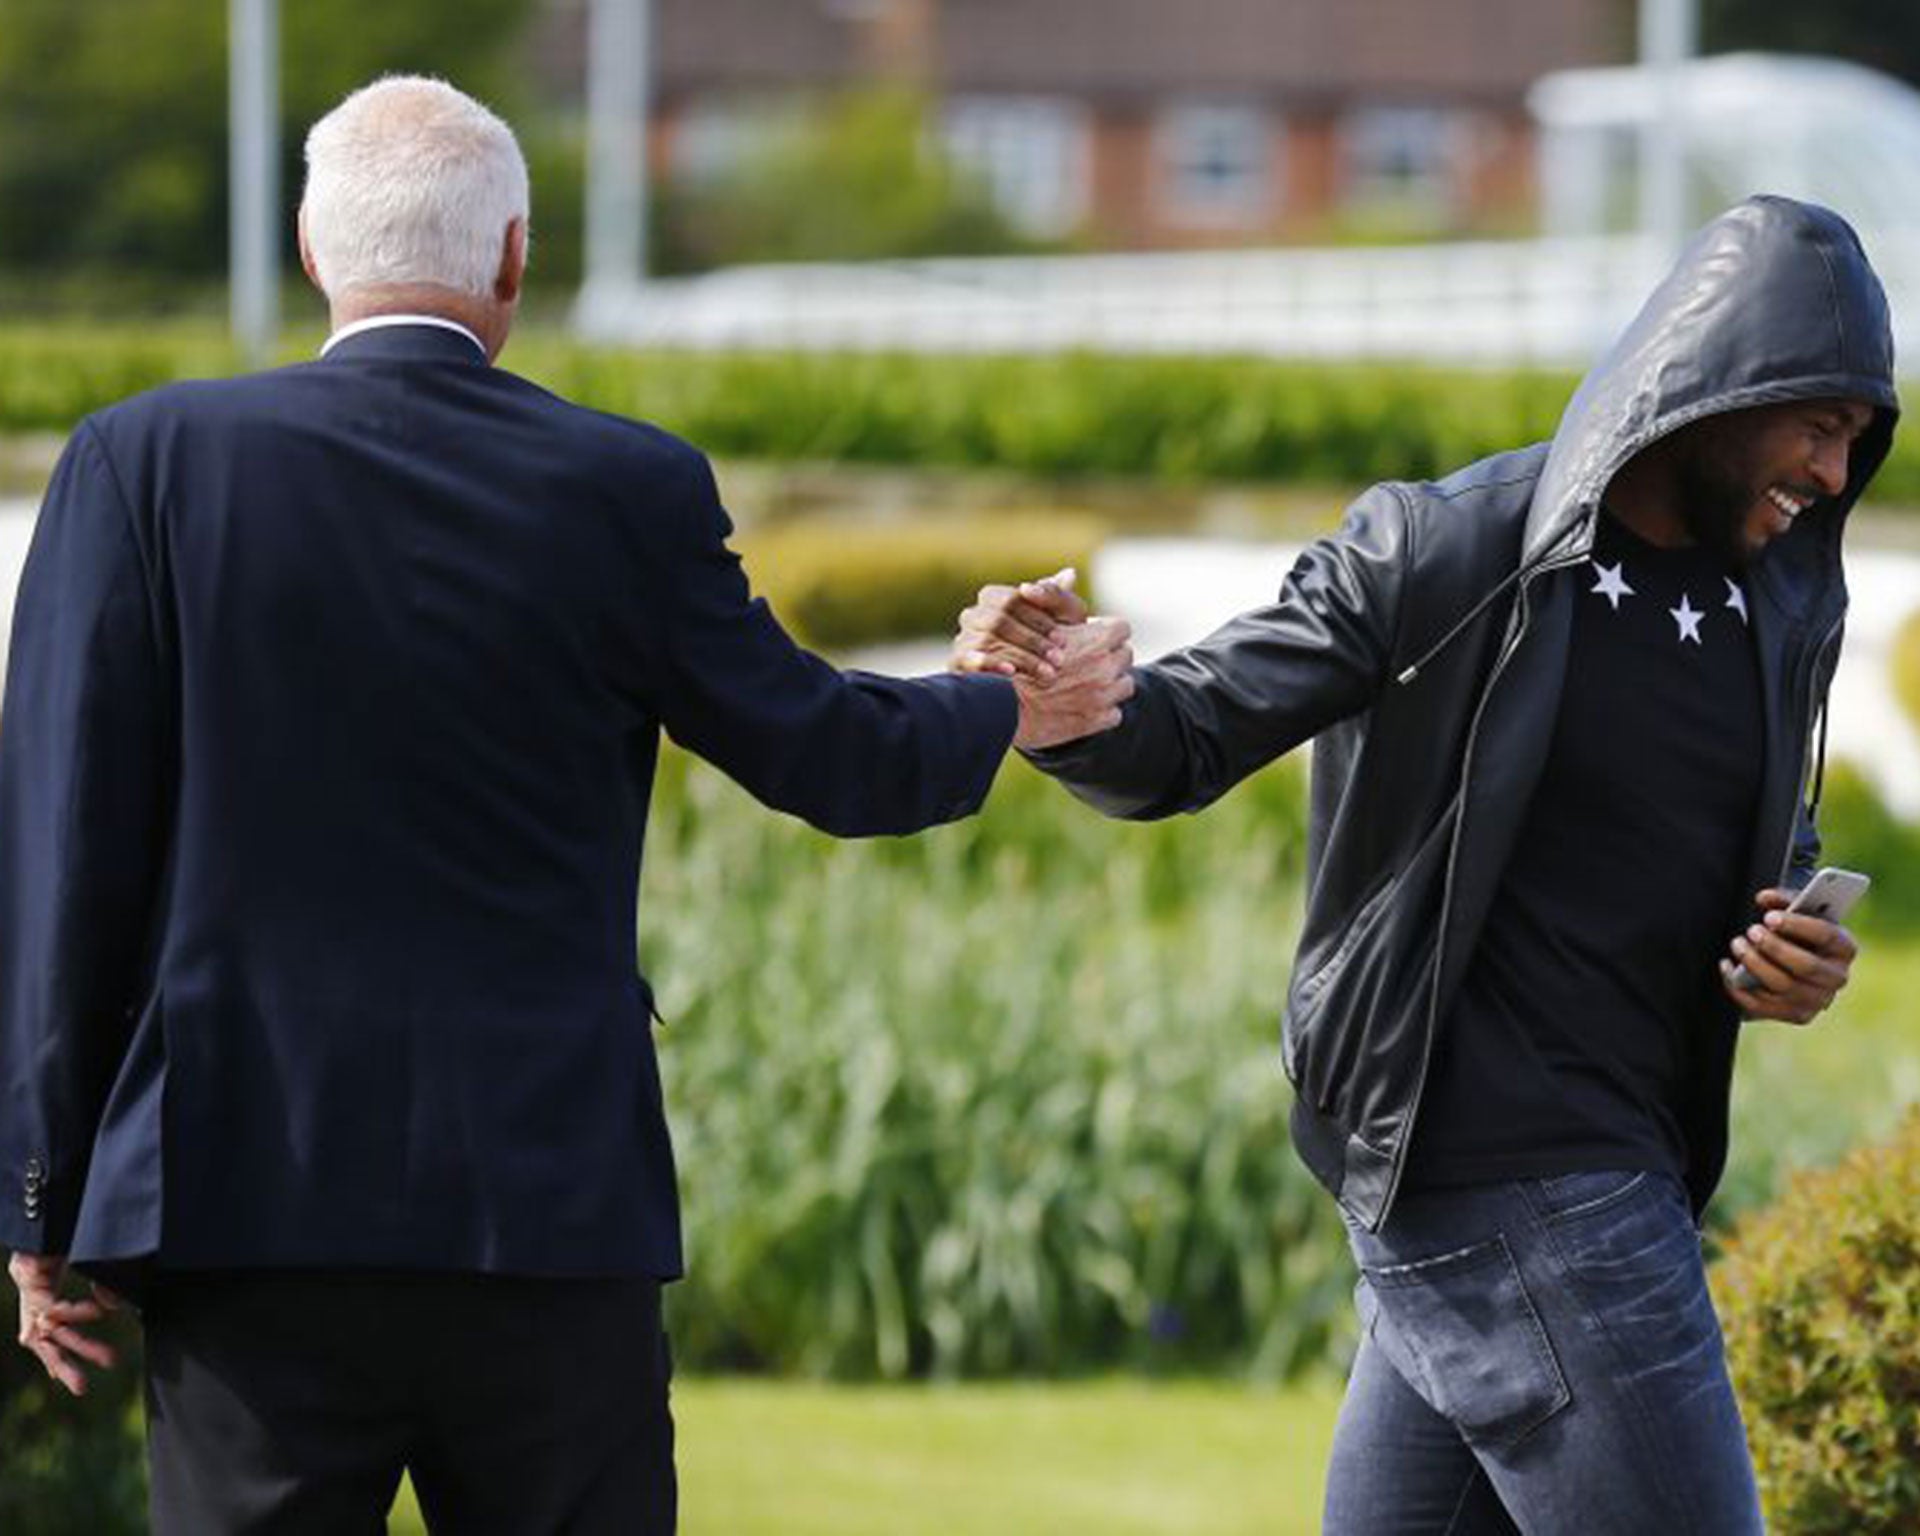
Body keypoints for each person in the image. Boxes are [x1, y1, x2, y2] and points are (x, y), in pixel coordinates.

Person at [0, 75, 1131, 1534]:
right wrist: (1007, 700)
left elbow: (62, 848)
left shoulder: (137, 467)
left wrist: (41, 1192)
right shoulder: (627, 486)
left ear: (308, 249)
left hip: (243, 1201)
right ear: (516, 256)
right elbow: (827, 756)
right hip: (545, 1206)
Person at [954, 196, 1894, 1532]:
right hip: (1534, 1185)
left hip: (1550, 1190)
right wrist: (1064, 705)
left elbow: (1739, 834)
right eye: (1819, 425)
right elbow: (1196, 729)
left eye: (1857, 441)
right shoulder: (1446, 551)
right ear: (1727, 382)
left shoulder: (1779, 596)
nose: (1834, 472)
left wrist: (1786, 946)